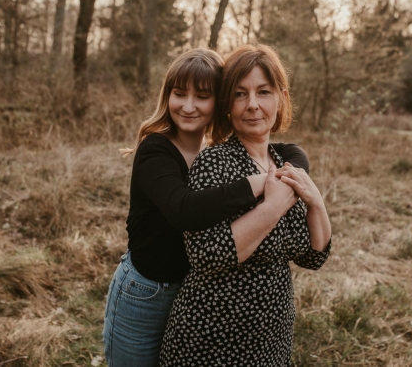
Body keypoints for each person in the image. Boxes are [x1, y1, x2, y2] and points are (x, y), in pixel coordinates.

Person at [102, 48, 310, 367]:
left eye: (202, 96)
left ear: (220, 102)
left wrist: (294, 166)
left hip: (191, 291)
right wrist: (265, 183)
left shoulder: (211, 154)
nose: (188, 106)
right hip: (145, 291)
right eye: (179, 93)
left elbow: (288, 150)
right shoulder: (156, 150)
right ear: (166, 96)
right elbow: (183, 210)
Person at [160, 44, 332, 366]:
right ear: (228, 105)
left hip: (272, 337)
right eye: (240, 94)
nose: (252, 105)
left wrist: (316, 204)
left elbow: (314, 255)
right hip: (211, 338)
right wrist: (272, 208)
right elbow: (204, 256)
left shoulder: (284, 164)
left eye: (263, 92)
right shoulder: (214, 162)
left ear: (280, 98)